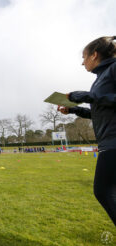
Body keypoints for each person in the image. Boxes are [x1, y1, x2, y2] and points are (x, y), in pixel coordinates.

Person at [57, 36, 116, 225]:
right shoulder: (101, 79)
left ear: (94, 55)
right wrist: (74, 109)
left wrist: (83, 95)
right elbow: (100, 112)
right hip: (109, 142)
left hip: (114, 143)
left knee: (103, 191)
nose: (82, 63)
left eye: (84, 57)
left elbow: (102, 99)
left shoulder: (113, 70)